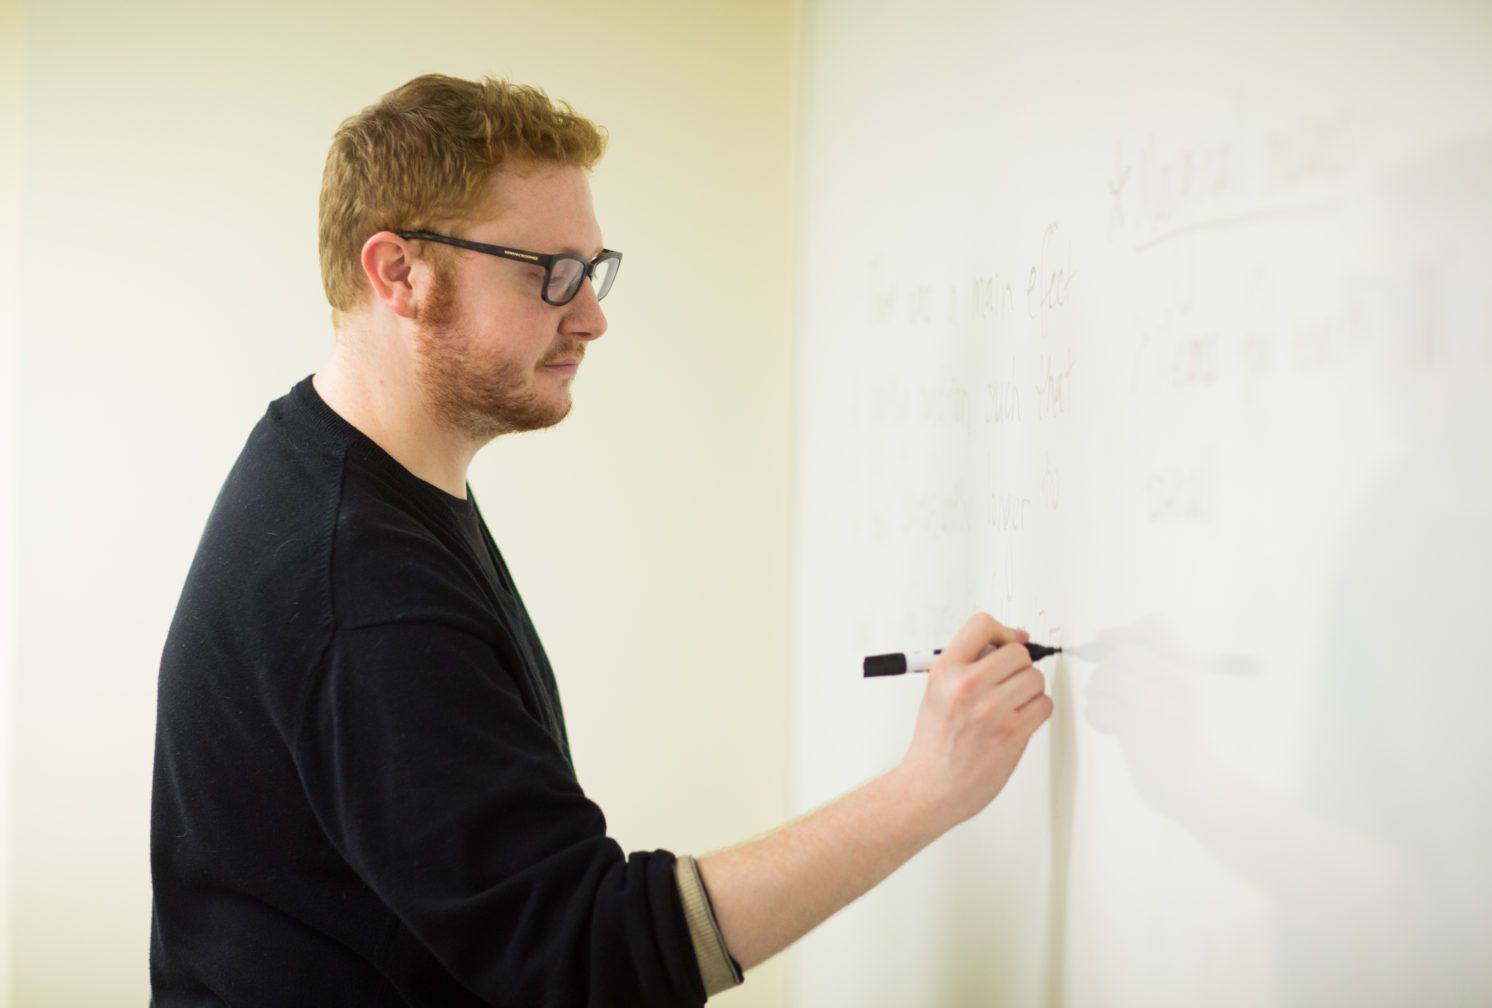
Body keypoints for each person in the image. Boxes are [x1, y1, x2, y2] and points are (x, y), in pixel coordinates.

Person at [149, 73, 1054, 1006]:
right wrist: (927, 788)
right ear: (400, 274)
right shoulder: (358, 583)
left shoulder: (340, 475)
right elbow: (587, 959)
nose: (590, 315)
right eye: (549, 274)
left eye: (592, 269)